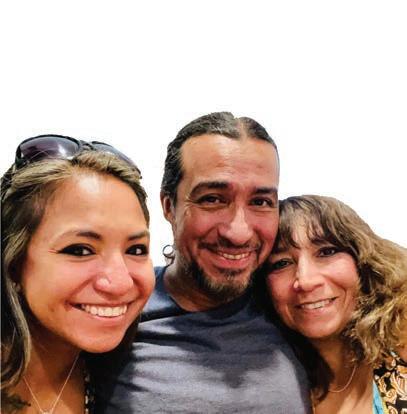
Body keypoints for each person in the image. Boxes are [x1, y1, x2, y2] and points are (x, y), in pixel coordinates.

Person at [98, 112, 310, 413]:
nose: (238, 232)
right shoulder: (113, 311)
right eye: (212, 199)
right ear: (169, 206)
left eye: (261, 202)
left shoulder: (297, 309)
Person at [1, 135, 155, 413]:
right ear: (13, 264)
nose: (120, 283)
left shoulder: (121, 376)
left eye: (136, 249)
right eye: (80, 250)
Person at [265, 195, 407, 413]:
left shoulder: (401, 343)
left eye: (326, 252)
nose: (305, 280)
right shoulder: (271, 388)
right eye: (281, 263)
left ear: (363, 262)